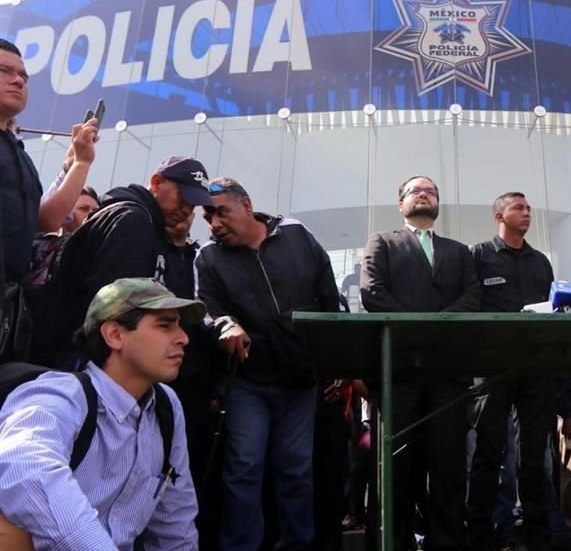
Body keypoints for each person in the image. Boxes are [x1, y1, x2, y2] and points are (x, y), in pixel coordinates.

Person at [0, 277, 203, 550]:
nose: (183, 338)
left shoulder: (166, 406)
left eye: (179, 326)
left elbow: (174, 520)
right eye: (164, 325)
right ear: (115, 335)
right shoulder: (60, 395)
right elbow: (24, 464)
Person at [195, 177, 340, 551]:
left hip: (301, 381)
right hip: (247, 383)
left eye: (221, 212)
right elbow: (208, 309)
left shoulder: (296, 235)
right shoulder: (208, 258)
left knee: (296, 471)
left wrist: (340, 360)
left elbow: (329, 296)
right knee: (243, 469)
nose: (213, 224)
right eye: (207, 216)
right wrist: (225, 324)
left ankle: (297, 545)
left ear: (246, 205)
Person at [360, 175, 482, 550]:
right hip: (399, 371)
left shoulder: (460, 251)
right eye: (415, 190)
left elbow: (473, 295)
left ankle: (445, 542)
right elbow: (371, 291)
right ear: (401, 204)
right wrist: (416, 327)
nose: (424, 193)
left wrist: (437, 327)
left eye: (430, 190)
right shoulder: (383, 241)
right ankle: (392, 541)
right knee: (397, 469)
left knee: (447, 469)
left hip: (448, 374)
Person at [467, 191, 571, 551]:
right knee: (488, 455)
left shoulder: (540, 263)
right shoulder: (478, 256)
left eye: (528, 208)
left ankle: (539, 536)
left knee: (534, 459)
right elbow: (469, 309)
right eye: (519, 208)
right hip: (492, 371)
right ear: (499, 215)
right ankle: (482, 535)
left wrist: (564, 399)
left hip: (535, 371)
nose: (527, 213)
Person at [31, 156, 214, 369]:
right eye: (183, 198)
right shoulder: (133, 221)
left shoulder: (152, 227)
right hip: (89, 360)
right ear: (156, 183)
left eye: (193, 204)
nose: (187, 210)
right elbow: (113, 309)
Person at [0, 38, 98, 283]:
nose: (19, 80)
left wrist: (79, 163)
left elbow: (45, 221)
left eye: (24, 76)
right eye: (4, 71)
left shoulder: (19, 154)